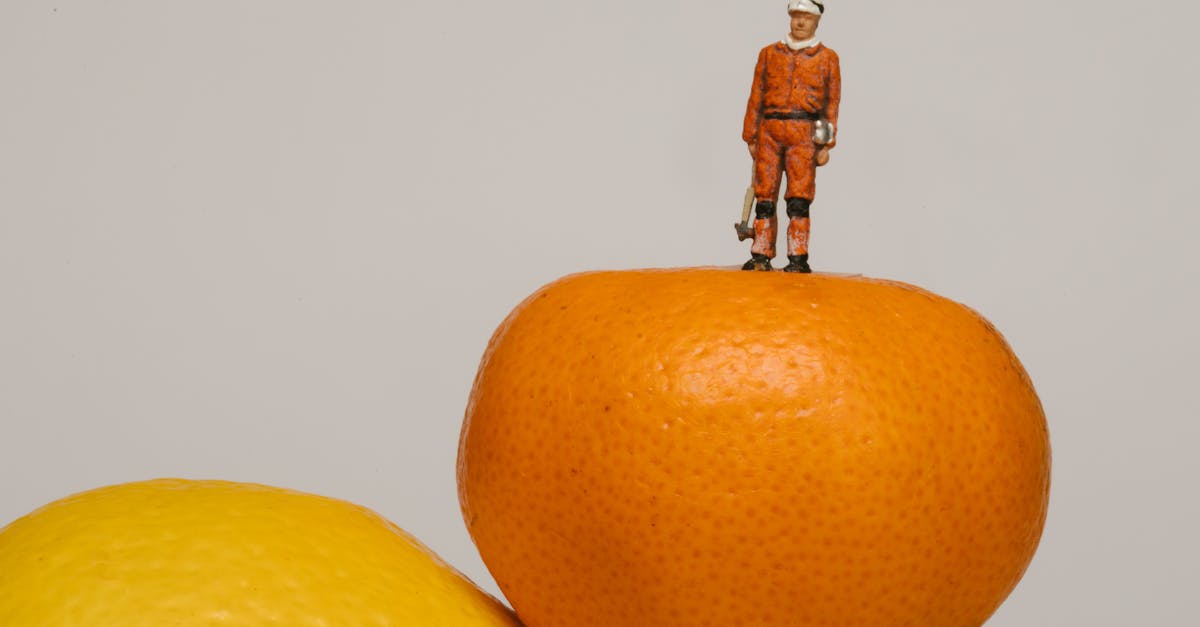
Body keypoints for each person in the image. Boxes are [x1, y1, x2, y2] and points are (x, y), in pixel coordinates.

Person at [742, 0, 841, 273]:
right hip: (770, 131)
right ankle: (761, 252)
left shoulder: (827, 58)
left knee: (799, 197)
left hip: (804, 134)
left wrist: (825, 143)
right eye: (796, 16)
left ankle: (798, 256)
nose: (800, 22)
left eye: (806, 18)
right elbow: (756, 96)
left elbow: (831, 104)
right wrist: (751, 135)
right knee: (765, 194)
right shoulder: (769, 54)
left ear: (816, 21)